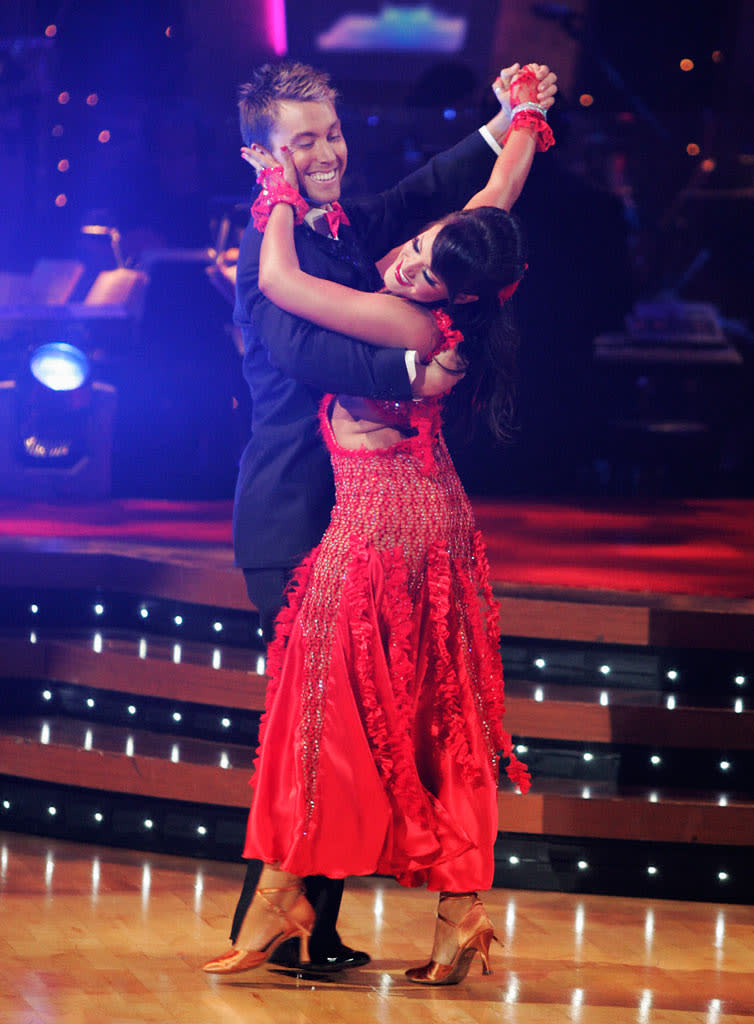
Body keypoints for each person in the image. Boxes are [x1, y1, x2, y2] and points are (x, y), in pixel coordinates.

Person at [203, 66, 552, 984]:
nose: (327, 152)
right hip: (313, 517)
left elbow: (314, 320)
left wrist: (275, 195)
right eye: (303, 140)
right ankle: (385, 917)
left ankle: (287, 913)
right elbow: (463, 195)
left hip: (369, 531)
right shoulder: (402, 264)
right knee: (397, 721)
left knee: (325, 724)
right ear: (269, 149)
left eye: (331, 133)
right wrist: (512, 123)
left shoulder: (352, 273)